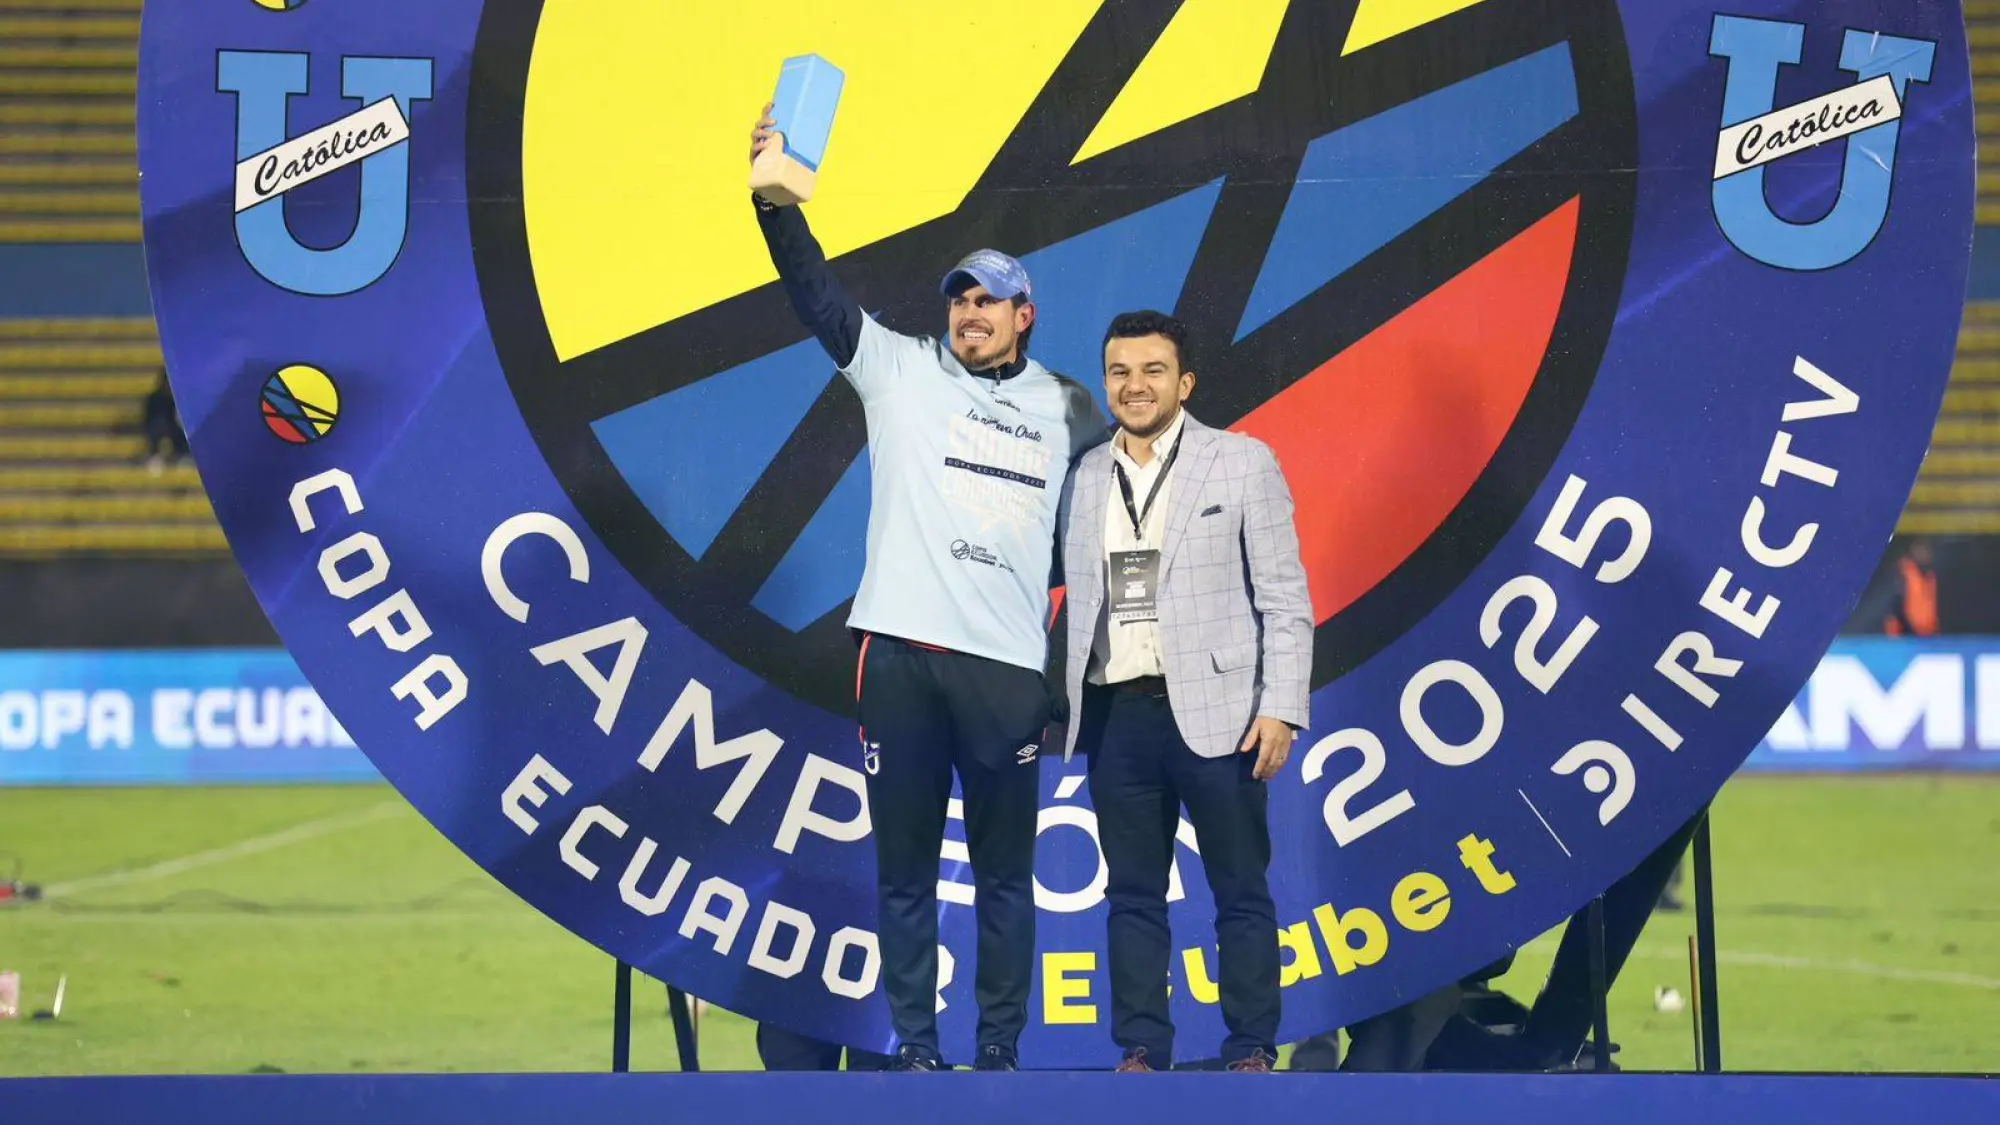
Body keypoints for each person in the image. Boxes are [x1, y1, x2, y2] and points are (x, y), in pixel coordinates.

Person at [747, 104, 1105, 1072]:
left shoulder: (1070, 406)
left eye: (987, 302)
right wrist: (773, 205)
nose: (969, 314)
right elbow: (815, 297)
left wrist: (1059, 663)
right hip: (897, 656)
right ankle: (915, 1048)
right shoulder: (899, 371)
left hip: (1003, 673)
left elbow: (1094, 535)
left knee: (1004, 880)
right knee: (902, 876)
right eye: (959, 300)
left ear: (1022, 314)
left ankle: (995, 1051)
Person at [1057, 310, 1313, 1073]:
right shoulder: (1081, 476)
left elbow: (1285, 597)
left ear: (1186, 381)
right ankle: (1140, 1046)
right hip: (1116, 711)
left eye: (1152, 371)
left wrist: (1281, 705)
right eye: (1120, 372)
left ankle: (1252, 1044)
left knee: (1240, 888)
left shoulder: (1241, 461)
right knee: (1132, 894)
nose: (1134, 387)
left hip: (1223, 714)